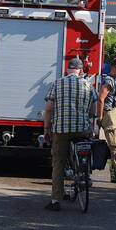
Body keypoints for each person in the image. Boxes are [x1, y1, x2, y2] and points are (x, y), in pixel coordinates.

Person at [42, 57, 98, 211]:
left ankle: (55, 201)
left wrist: (47, 129)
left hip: (61, 130)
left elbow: (48, 109)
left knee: (58, 163)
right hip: (82, 129)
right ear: (80, 71)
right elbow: (94, 111)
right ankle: (84, 172)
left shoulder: (58, 83)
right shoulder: (88, 85)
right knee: (85, 151)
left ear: (68, 69)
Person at [97, 58, 116, 183]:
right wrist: (100, 117)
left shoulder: (115, 80)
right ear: (113, 68)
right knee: (115, 146)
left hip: (114, 112)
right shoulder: (109, 80)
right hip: (109, 113)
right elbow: (101, 98)